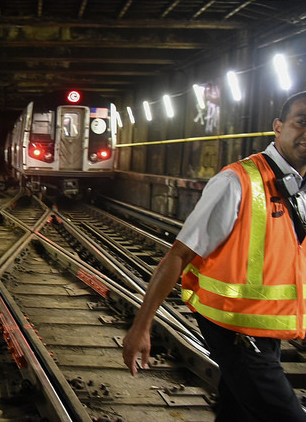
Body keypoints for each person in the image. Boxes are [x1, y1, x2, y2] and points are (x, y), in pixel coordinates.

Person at [122, 91, 306, 421]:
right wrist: (141, 326)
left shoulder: (299, 188)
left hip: (268, 328)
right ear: (278, 127)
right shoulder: (236, 182)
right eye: (301, 122)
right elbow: (178, 256)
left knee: (238, 411)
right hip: (236, 330)